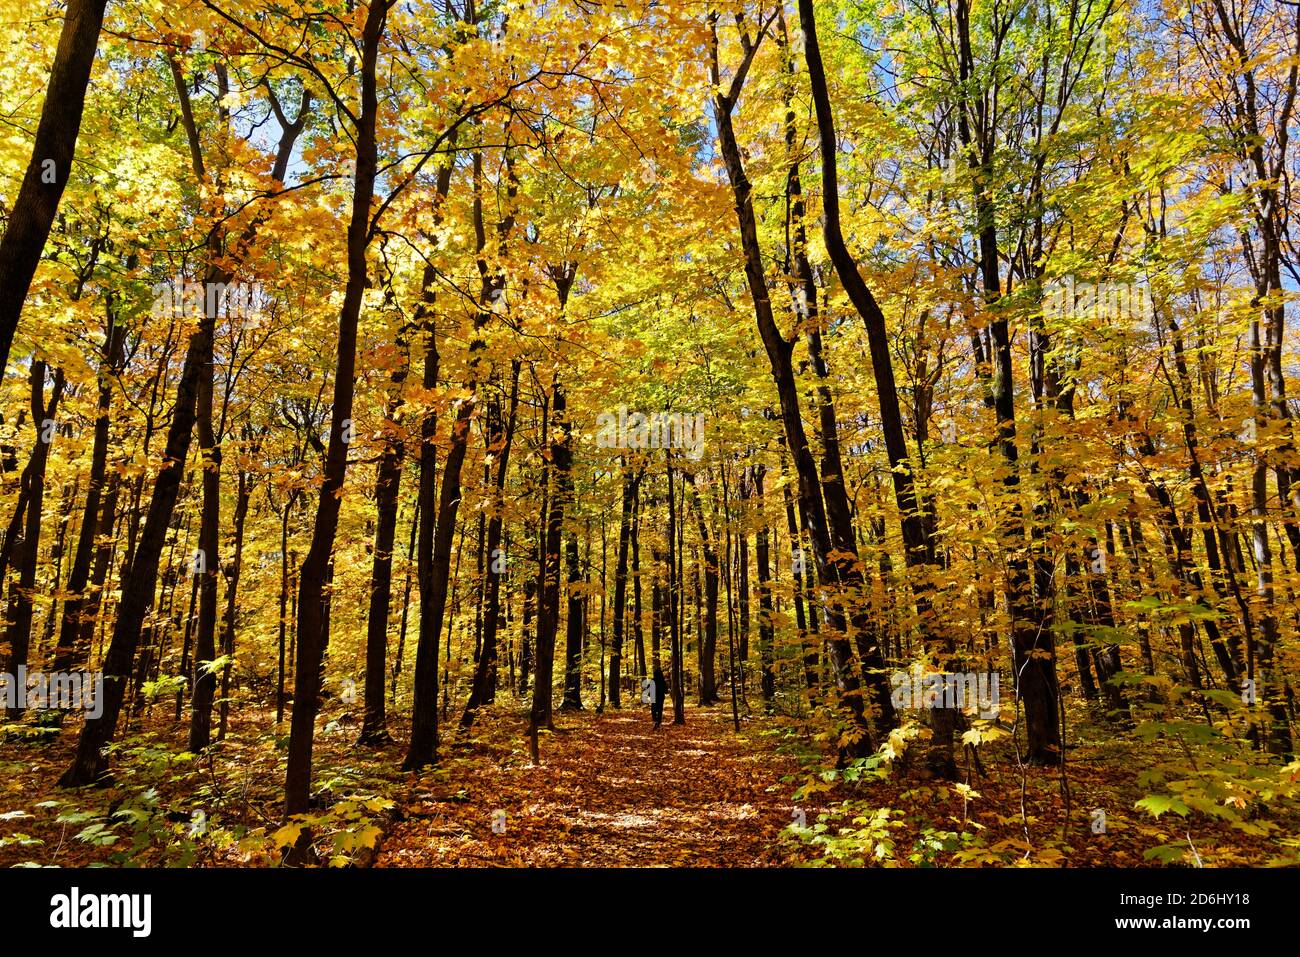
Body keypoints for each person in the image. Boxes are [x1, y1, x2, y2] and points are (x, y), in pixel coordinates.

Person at [651, 665, 667, 730]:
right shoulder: (663, 681)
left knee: (654, 709)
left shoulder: (653, 680)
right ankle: (659, 722)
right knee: (660, 710)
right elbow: (666, 691)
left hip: (653, 697)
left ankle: (655, 721)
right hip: (661, 697)